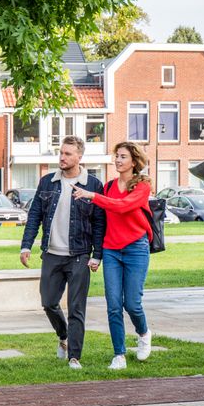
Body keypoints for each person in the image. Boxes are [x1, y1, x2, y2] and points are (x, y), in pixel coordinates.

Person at [20, 135, 105, 369]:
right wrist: (26, 245)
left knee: (77, 307)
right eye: (61, 153)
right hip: (52, 253)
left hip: (79, 255)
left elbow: (99, 223)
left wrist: (97, 254)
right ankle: (63, 336)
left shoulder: (93, 185)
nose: (62, 157)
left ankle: (74, 357)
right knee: (48, 302)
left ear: (79, 156)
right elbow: (34, 215)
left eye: (68, 153)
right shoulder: (48, 182)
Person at [73, 141, 153, 368]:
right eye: (117, 156)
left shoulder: (142, 186)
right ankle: (119, 354)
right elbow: (101, 222)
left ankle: (144, 333)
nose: (118, 160)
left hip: (136, 248)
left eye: (123, 157)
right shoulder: (108, 187)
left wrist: (92, 196)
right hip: (111, 251)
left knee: (133, 304)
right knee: (114, 304)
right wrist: (96, 254)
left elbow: (122, 206)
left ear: (134, 161)